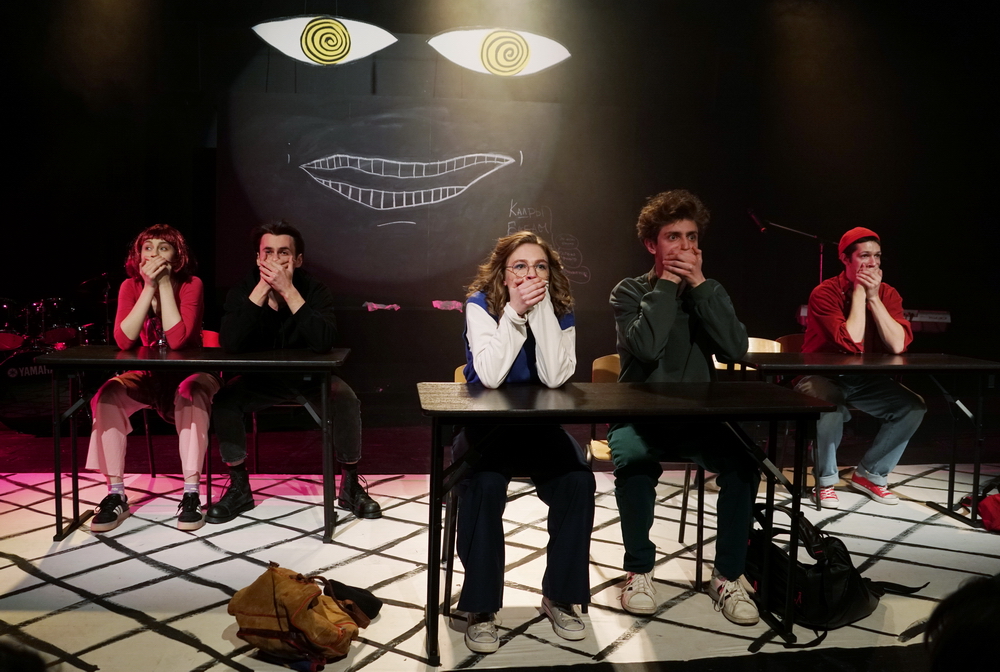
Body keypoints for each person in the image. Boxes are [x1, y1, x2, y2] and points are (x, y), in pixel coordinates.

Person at [608, 189, 760, 626]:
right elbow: (647, 347)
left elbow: (736, 349)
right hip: (639, 417)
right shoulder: (629, 291)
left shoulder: (706, 291)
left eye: (691, 237)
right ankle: (639, 571)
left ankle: (727, 575)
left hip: (698, 418)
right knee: (635, 465)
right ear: (651, 244)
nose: (685, 246)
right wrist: (668, 285)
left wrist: (700, 287)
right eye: (673, 237)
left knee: (744, 465)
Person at [457, 231, 595, 653]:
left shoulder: (561, 310)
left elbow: (555, 377)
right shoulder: (480, 306)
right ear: (503, 273)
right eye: (520, 266)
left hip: (540, 429)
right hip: (488, 429)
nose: (530, 275)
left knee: (578, 482)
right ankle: (481, 608)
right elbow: (490, 375)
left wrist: (542, 313)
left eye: (540, 267)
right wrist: (515, 314)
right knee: (483, 485)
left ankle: (560, 597)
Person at [206, 220, 380, 523]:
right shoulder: (243, 289)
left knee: (346, 398)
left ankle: (350, 484)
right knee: (225, 401)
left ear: (298, 260)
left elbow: (323, 341)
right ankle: (238, 486)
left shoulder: (315, 290)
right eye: (268, 253)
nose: (275, 260)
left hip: (310, 379)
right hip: (260, 381)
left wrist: (288, 291)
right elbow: (230, 343)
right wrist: (262, 289)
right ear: (258, 258)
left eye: (283, 253)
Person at [86, 224, 220, 532]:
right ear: (138, 255)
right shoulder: (130, 286)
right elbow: (124, 340)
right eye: (148, 248)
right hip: (149, 375)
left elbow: (178, 340)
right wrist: (148, 288)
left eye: (163, 248)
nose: (154, 254)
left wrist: (164, 285)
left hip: (191, 372)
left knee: (191, 392)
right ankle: (116, 494)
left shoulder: (191, 284)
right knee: (107, 395)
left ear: (177, 256)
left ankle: (191, 493)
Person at [795, 227, 926, 508]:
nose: (873, 263)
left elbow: (898, 345)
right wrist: (858, 292)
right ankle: (825, 482)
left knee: (912, 407)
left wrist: (874, 298)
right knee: (828, 406)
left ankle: (870, 474)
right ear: (846, 259)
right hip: (819, 375)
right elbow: (852, 341)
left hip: (862, 379)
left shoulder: (887, 294)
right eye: (864, 256)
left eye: (877, 256)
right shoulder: (825, 292)